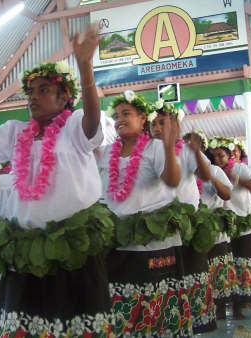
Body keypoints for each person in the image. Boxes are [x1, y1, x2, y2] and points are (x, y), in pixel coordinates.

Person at [0, 24, 114, 337]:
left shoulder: (73, 126)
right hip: (25, 250)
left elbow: (92, 121)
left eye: (44, 90)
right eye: (30, 92)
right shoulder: (14, 132)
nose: (33, 97)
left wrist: (85, 65)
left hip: (74, 248)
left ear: (64, 98)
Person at [98, 93, 192, 336]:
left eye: (126, 114)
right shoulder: (107, 153)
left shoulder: (156, 148)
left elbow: (172, 181)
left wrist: (170, 148)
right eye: (116, 116)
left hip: (154, 244)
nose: (119, 119)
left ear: (142, 118)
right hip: (117, 244)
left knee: (158, 311)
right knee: (121, 311)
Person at [149, 104, 216, 334]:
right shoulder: (146, 151)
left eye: (163, 123)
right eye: (154, 124)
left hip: (189, 222)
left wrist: (197, 151)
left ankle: (197, 322)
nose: (158, 128)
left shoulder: (186, 150)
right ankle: (172, 322)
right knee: (170, 278)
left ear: (176, 125)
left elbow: (206, 176)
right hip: (163, 226)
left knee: (193, 273)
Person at [208, 136, 251, 320]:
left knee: (240, 268)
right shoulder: (213, 172)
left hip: (243, 227)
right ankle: (221, 310)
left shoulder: (239, 169)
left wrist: (238, 179)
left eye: (221, 156)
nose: (217, 160)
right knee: (225, 269)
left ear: (229, 155)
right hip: (224, 229)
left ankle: (238, 309)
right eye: (214, 156)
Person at [197, 132, 236, 321]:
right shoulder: (181, 171)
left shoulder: (214, 170)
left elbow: (227, 194)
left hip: (215, 230)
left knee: (218, 272)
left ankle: (220, 312)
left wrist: (211, 178)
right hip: (194, 231)